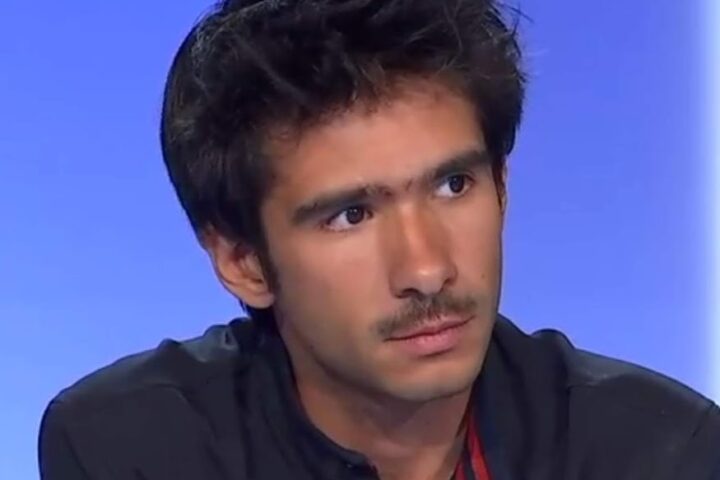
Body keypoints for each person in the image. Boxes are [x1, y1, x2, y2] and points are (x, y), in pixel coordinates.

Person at [38, 0, 720, 478]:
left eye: (453, 185)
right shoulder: (131, 450)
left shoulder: (657, 452)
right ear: (243, 261)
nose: (426, 270)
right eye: (350, 215)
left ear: (502, 188)